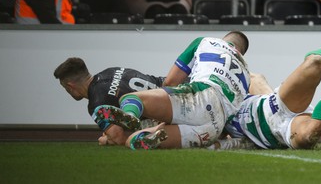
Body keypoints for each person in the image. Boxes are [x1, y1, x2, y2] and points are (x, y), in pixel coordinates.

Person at [123, 35, 321, 151]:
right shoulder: (245, 75)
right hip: (268, 124)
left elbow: (170, 82)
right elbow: (230, 143)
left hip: (272, 108)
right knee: (308, 135)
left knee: (312, 66)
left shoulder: (210, 46)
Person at [94, 31, 251, 150]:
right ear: (241, 52)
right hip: (214, 127)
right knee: (133, 141)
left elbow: (171, 81)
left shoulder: (206, 42)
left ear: (224, 39)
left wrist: (165, 110)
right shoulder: (247, 74)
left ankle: (130, 116)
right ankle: (149, 136)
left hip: (200, 95)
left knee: (130, 100)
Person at [53, 57, 166, 146]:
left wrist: (107, 140)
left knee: (141, 128)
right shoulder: (111, 70)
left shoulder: (96, 104)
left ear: (70, 86)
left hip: (162, 116)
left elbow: (119, 138)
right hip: (169, 87)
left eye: (65, 88)